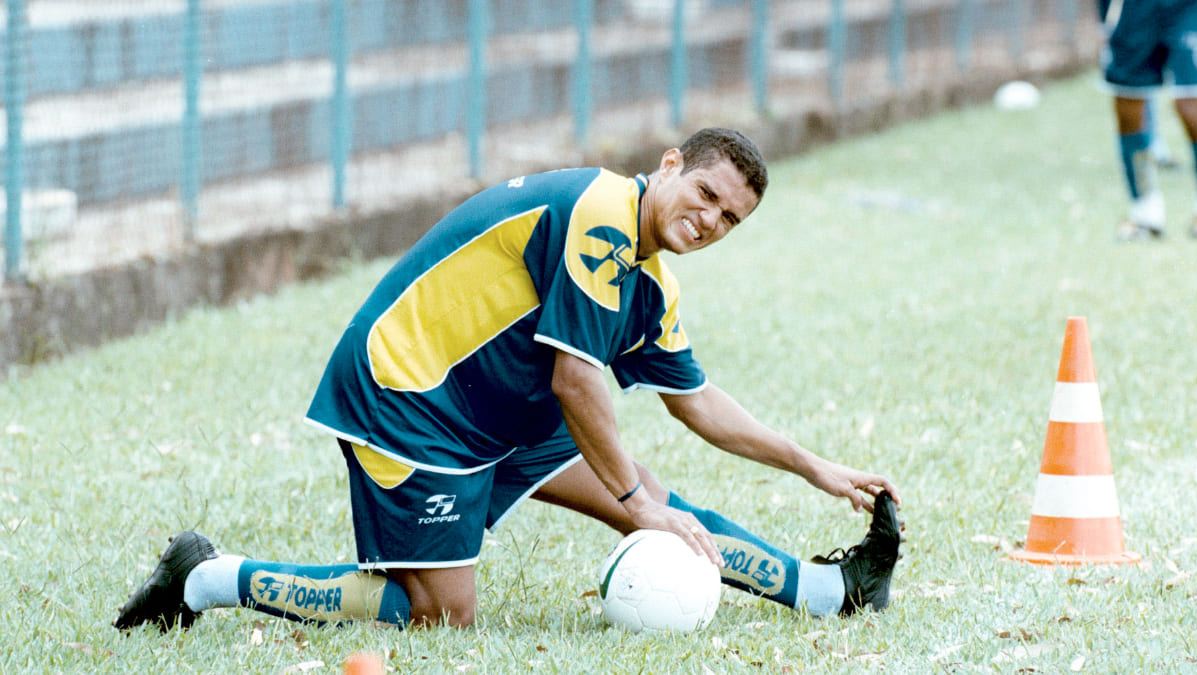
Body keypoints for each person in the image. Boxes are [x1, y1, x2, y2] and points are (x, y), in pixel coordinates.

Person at [114, 128, 902, 632]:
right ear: (670, 166)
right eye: (706, 195)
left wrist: (813, 466)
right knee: (441, 613)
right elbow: (575, 381)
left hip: (496, 408)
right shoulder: (600, 212)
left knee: (654, 501)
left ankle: (833, 590)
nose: (709, 221)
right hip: (410, 395)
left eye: (730, 220)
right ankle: (204, 577)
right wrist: (634, 501)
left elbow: (695, 400)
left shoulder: (650, 280)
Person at [1101, 0, 1197, 240]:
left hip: (1188, 7)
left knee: (1192, 104)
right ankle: (1144, 214)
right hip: (1132, 9)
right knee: (1129, 104)